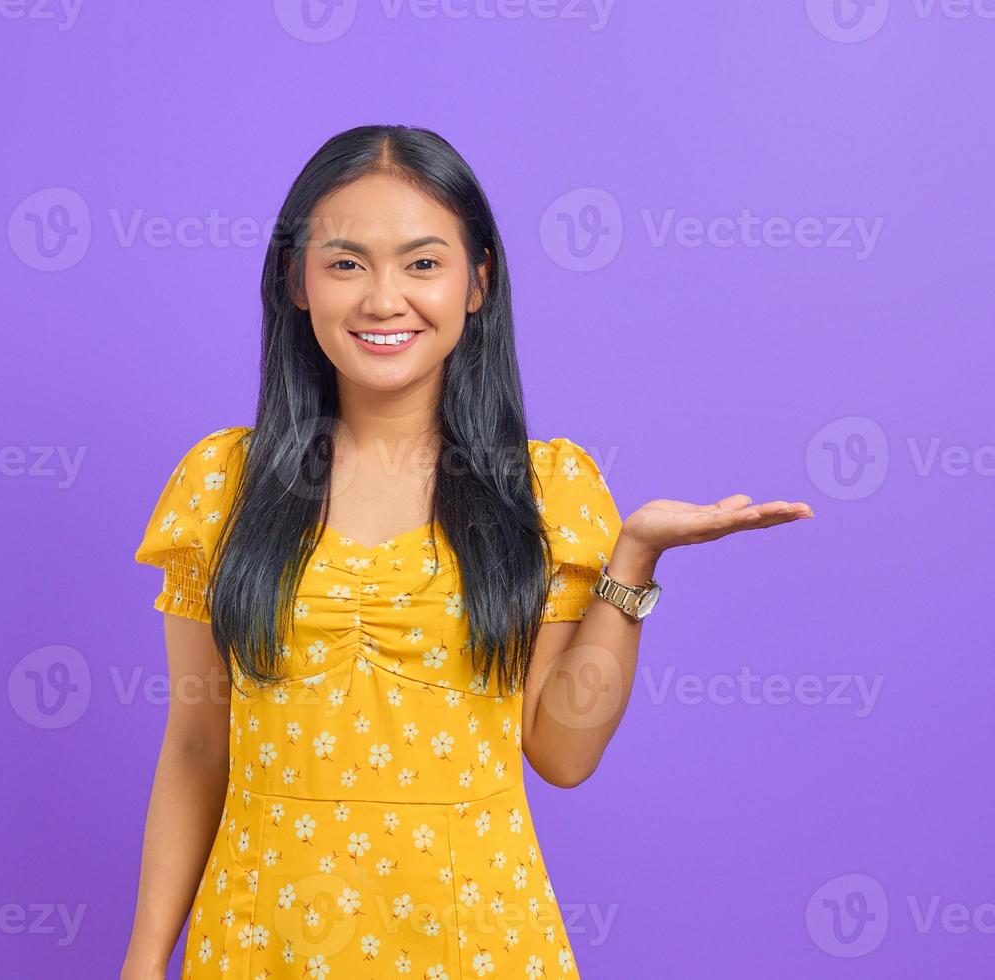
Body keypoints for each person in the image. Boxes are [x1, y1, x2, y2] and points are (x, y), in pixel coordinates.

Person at [120, 124, 812, 980]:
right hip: (263, 942)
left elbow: (561, 754)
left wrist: (631, 563)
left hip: (475, 943)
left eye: (421, 263)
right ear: (297, 282)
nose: (382, 300)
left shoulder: (543, 490)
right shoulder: (223, 485)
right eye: (345, 263)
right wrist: (145, 961)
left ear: (477, 281)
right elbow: (196, 746)